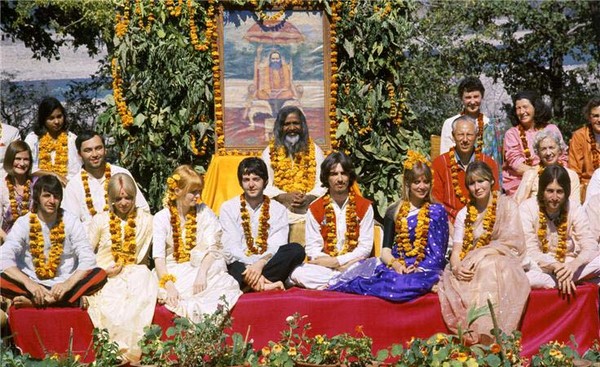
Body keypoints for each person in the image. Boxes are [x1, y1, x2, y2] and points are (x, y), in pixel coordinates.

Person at [328, 151, 449, 302]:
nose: (422, 187)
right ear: (407, 184)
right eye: (417, 182)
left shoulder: (437, 211)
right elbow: (385, 251)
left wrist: (419, 269)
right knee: (376, 280)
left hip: (426, 268)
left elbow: (438, 254)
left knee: (409, 282)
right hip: (397, 265)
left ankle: (423, 283)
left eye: (426, 182)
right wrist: (397, 265)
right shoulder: (394, 211)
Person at [438, 161, 529, 345]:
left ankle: (492, 337)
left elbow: (513, 243)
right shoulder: (465, 214)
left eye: (481, 181)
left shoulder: (507, 205)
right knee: (483, 268)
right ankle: (480, 336)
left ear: (492, 181)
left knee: (491, 264)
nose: (477, 187)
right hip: (471, 266)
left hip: (503, 260)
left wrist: (484, 253)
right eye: (472, 183)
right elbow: (456, 251)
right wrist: (456, 267)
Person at [0, 175, 107, 308]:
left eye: (56, 196)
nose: (52, 201)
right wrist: (29, 284)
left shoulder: (71, 221)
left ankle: (36, 302)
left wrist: (68, 284)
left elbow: (88, 259)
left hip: (64, 285)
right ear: (37, 198)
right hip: (32, 283)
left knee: (100, 274)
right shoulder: (24, 223)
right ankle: (69, 302)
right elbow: (4, 257)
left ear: (61, 199)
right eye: (46, 195)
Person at [153, 165, 241, 322]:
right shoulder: (161, 217)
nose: (198, 196)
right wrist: (169, 285)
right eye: (193, 192)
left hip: (203, 266)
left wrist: (202, 273)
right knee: (174, 292)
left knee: (222, 281)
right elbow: (158, 257)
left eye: (199, 191)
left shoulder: (204, 211)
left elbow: (214, 247)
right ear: (177, 191)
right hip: (173, 270)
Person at [85, 174, 156, 363]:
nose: (124, 203)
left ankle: (131, 354)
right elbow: (86, 257)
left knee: (137, 298)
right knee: (110, 308)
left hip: (137, 273)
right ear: (111, 199)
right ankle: (115, 354)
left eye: (128, 198)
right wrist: (103, 273)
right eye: (118, 199)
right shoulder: (100, 220)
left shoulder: (147, 220)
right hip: (105, 276)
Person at [290, 152, 374, 290]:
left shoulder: (364, 207)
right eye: (334, 174)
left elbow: (365, 248)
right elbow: (312, 249)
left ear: (350, 176)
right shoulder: (315, 208)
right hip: (325, 268)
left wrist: (338, 261)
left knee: (373, 266)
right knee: (297, 272)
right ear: (326, 178)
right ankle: (344, 283)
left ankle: (333, 284)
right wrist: (332, 264)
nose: (339, 179)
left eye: (343, 173)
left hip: (353, 265)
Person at [220, 157, 305, 292]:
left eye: (256, 179)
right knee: (227, 262)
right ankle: (264, 285)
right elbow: (231, 247)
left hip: (266, 263)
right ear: (241, 183)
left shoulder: (278, 209)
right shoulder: (228, 207)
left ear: (265, 182)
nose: (251, 185)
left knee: (296, 250)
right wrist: (250, 268)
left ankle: (249, 286)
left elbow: (276, 245)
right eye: (246, 180)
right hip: (240, 265)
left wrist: (260, 264)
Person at [520, 165, 599, 295]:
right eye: (550, 191)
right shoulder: (527, 208)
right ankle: (563, 281)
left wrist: (574, 265)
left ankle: (559, 281)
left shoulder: (573, 208)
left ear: (566, 192)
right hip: (541, 268)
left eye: (560, 191)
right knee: (525, 277)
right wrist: (555, 266)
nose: (555, 197)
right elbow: (531, 251)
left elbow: (590, 245)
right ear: (542, 190)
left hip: (569, 266)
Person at [261, 106, 326, 242]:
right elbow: (263, 185)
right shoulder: (269, 152)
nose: (291, 128)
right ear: (280, 127)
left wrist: (308, 198)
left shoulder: (315, 151)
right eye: (287, 124)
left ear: (302, 126)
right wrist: (282, 196)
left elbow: (323, 184)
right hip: (279, 211)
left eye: (295, 123)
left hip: (309, 210)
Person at [62, 131, 149, 228]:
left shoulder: (121, 174)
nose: (94, 154)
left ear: (105, 150)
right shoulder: (74, 185)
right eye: (88, 150)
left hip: (127, 236)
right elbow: (70, 224)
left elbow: (143, 209)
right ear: (79, 154)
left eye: (98, 148)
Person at [433, 115, 499, 226]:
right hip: (448, 224)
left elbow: (495, 198)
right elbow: (436, 202)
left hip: (482, 224)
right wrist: (451, 230)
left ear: (477, 136)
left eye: (469, 135)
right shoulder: (440, 163)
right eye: (460, 134)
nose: (465, 140)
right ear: (453, 136)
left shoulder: (488, 163)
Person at [502, 91, 567, 195]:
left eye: (525, 107)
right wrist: (539, 173)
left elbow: (562, 157)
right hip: (521, 183)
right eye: (518, 108)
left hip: (553, 179)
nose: (522, 111)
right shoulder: (512, 134)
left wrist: (551, 176)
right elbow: (516, 164)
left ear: (535, 108)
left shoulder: (551, 129)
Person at [439, 77, 507, 169]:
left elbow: (495, 161)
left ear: (482, 96)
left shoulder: (489, 125)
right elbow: (445, 157)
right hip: (456, 174)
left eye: (476, 97)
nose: (472, 101)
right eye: (468, 97)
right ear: (461, 98)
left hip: (484, 177)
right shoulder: (450, 123)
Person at [24, 97, 82, 185]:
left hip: (68, 187)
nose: (57, 121)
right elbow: (27, 167)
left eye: (59, 116)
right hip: (40, 188)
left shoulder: (72, 138)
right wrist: (54, 175)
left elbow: (77, 169)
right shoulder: (33, 138)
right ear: (43, 120)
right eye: (51, 118)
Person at [514, 130, 581, 204]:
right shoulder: (530, 174)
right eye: (543, 149)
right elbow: (517, 203)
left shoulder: (571, 175)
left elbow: (575, 206)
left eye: (551, 147)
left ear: (560, 150)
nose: (548, 153)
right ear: (538, 153)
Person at [568, 97, 600, 200]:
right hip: (587, 190)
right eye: (595, 116)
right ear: (589, 117)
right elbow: (574, 171)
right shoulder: (579, 136)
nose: (599, 120)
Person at [1, 142, 34, 241]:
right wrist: (11, 243)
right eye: (18, 159)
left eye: (26, 159)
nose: (22, 163)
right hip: (7, 241)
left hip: (35, 241)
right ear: (10, 160)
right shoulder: (1, 186)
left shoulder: (37, 184)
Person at [254, 46, 296, 115]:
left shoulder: (285, 68)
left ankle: (276, 112)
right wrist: (269, 92)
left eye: (277, 58)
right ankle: (275, 111)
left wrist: (279, 92)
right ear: (270, 60)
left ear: (280, 59)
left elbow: (287, 83)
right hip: (269, 92)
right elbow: (266, 83)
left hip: (281, 91)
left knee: (288, 93)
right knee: (260, 94)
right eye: (273, 59)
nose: (275, 60)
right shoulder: (267, 69)